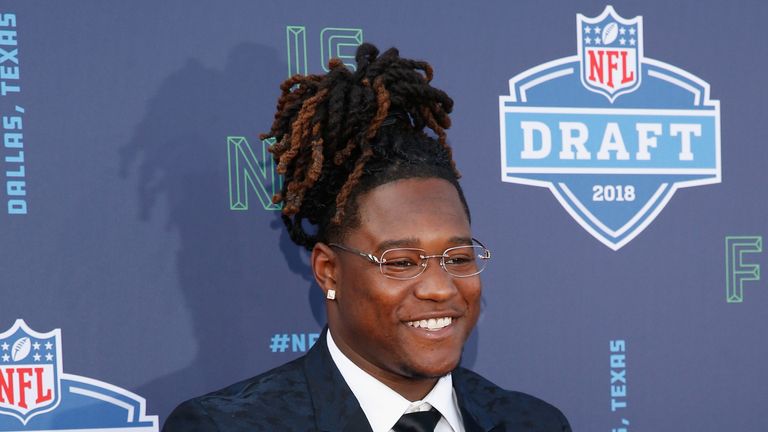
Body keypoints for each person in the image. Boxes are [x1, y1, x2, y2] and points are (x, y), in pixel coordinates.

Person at [163, 43, 571, 432]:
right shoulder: (230, 426)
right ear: (329, 271)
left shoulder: (533, 422)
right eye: (401, 262)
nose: (439, 288)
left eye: (458, 258)